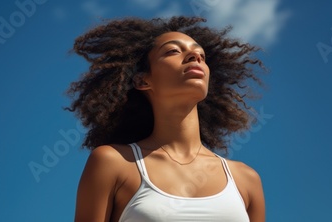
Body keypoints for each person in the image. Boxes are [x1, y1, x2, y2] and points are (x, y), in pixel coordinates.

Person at [66, 16, 266, 222]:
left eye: (201, 55)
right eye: (173, 51)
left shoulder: (245, 179)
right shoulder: (113, 163)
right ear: (143, 80)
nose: (194, 56)